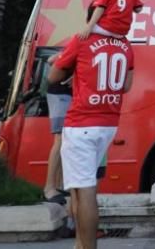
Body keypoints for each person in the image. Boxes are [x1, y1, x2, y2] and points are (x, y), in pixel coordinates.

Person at [48, 20, 134, 249]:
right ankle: (79, 244)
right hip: (108, 121)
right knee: (79, 186)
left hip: (82, 121)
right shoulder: (125, 45)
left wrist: (72, 67)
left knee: (84, 190)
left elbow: (53, 77)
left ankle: (88, 246)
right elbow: (126, 85)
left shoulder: (82, 40)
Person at [44, 55, 73, 204]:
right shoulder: (77, 43)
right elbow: (50, 60)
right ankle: (49, 188)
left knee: (67, 140)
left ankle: (60, 185)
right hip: (60, 94)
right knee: (60, 139)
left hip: (68, 95)